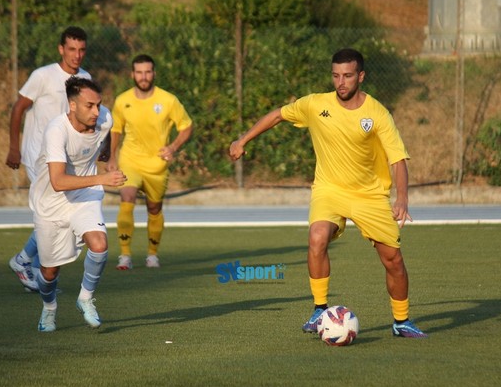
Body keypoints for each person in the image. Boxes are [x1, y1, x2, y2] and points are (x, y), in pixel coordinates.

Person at [229, 48, 427, 338]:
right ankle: (320, 309)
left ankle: (401, 321)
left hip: (368, 196)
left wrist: (403, 198)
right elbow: (278, 116)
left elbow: (397, 159)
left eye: (347, 76)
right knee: (317, 237)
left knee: (393, 260)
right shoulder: (315, 104)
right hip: (329, 189)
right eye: (336, 76)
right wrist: (242, 139)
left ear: (361, 76)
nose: (341, 82)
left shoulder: (377, 113)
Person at [30, 77, 126, 332]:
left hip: (85, 196)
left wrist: (108, 154)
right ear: (72, 106)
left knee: (100, 244)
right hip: (51, 203)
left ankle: (85, 297)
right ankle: (49, 309)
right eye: (89, 106)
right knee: (49, 273)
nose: (97, 111)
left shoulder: (104, 118)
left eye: (99, 104)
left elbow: (107, 137)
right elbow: (58, 181)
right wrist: (102, 177)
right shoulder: (56, 130)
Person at [6, 26, 90, 292]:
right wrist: (14, 147)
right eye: (72, 49)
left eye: (81, 50)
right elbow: (18, 108)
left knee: (58, 215)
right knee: (56, 213)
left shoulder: (85, 78)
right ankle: (35, 269)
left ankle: (27, 263)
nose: (77, 55)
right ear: (61, 49)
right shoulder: (42, 76)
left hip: (65, 160)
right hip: (37, 157)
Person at [107, 54, 193, 270]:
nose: (143, 76)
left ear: (153, 74)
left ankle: (152, 255)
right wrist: (111, 157)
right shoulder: (122, 100)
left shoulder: (168, 100)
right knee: (127, 197)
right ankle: (125, 256)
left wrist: (173, 147)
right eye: (139, 72)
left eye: (147, 72)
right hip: (130, 160)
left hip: (157, 165)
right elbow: (115, 130)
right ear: (132, 74)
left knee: (154, 209)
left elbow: (186, 126)